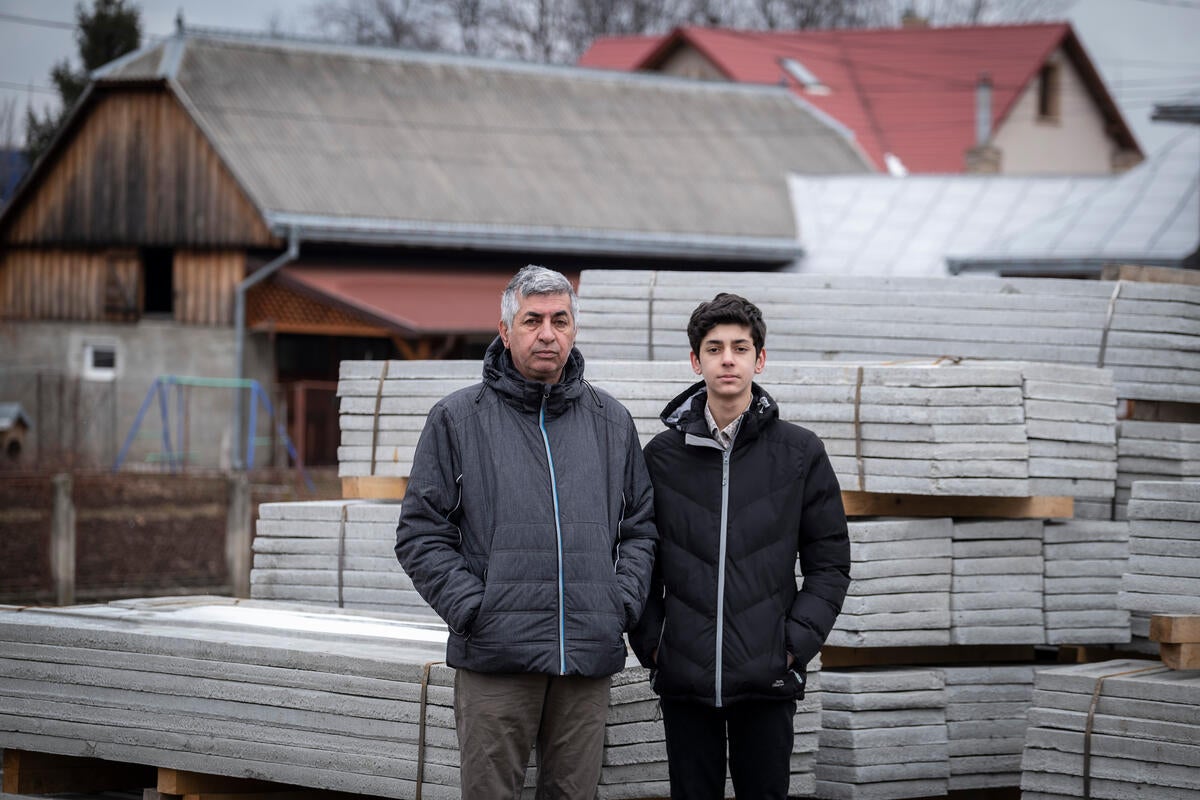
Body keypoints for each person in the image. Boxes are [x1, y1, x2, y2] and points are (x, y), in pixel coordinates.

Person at [395, 264, 658, 800]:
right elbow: (420, 534)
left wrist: (618, 603)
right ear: (505, 329)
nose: (547, 333)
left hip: (585, 659)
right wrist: (477, 609)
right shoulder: (457, 419)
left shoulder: (611, 421)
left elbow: (641, 528)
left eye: (560, 320)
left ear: (574, 330)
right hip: (497, 659)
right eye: (532, 320)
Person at [630, 292, 851, 800]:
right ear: (695, 360)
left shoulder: (800, 453)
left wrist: (791, 647)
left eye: (740, 347)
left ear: (760, 358)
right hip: (684, 679)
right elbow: (638, 556)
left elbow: (830, 564)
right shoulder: (660, 458)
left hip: (767, 679)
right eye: (714, 348)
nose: (727, 359)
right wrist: (656, 646)